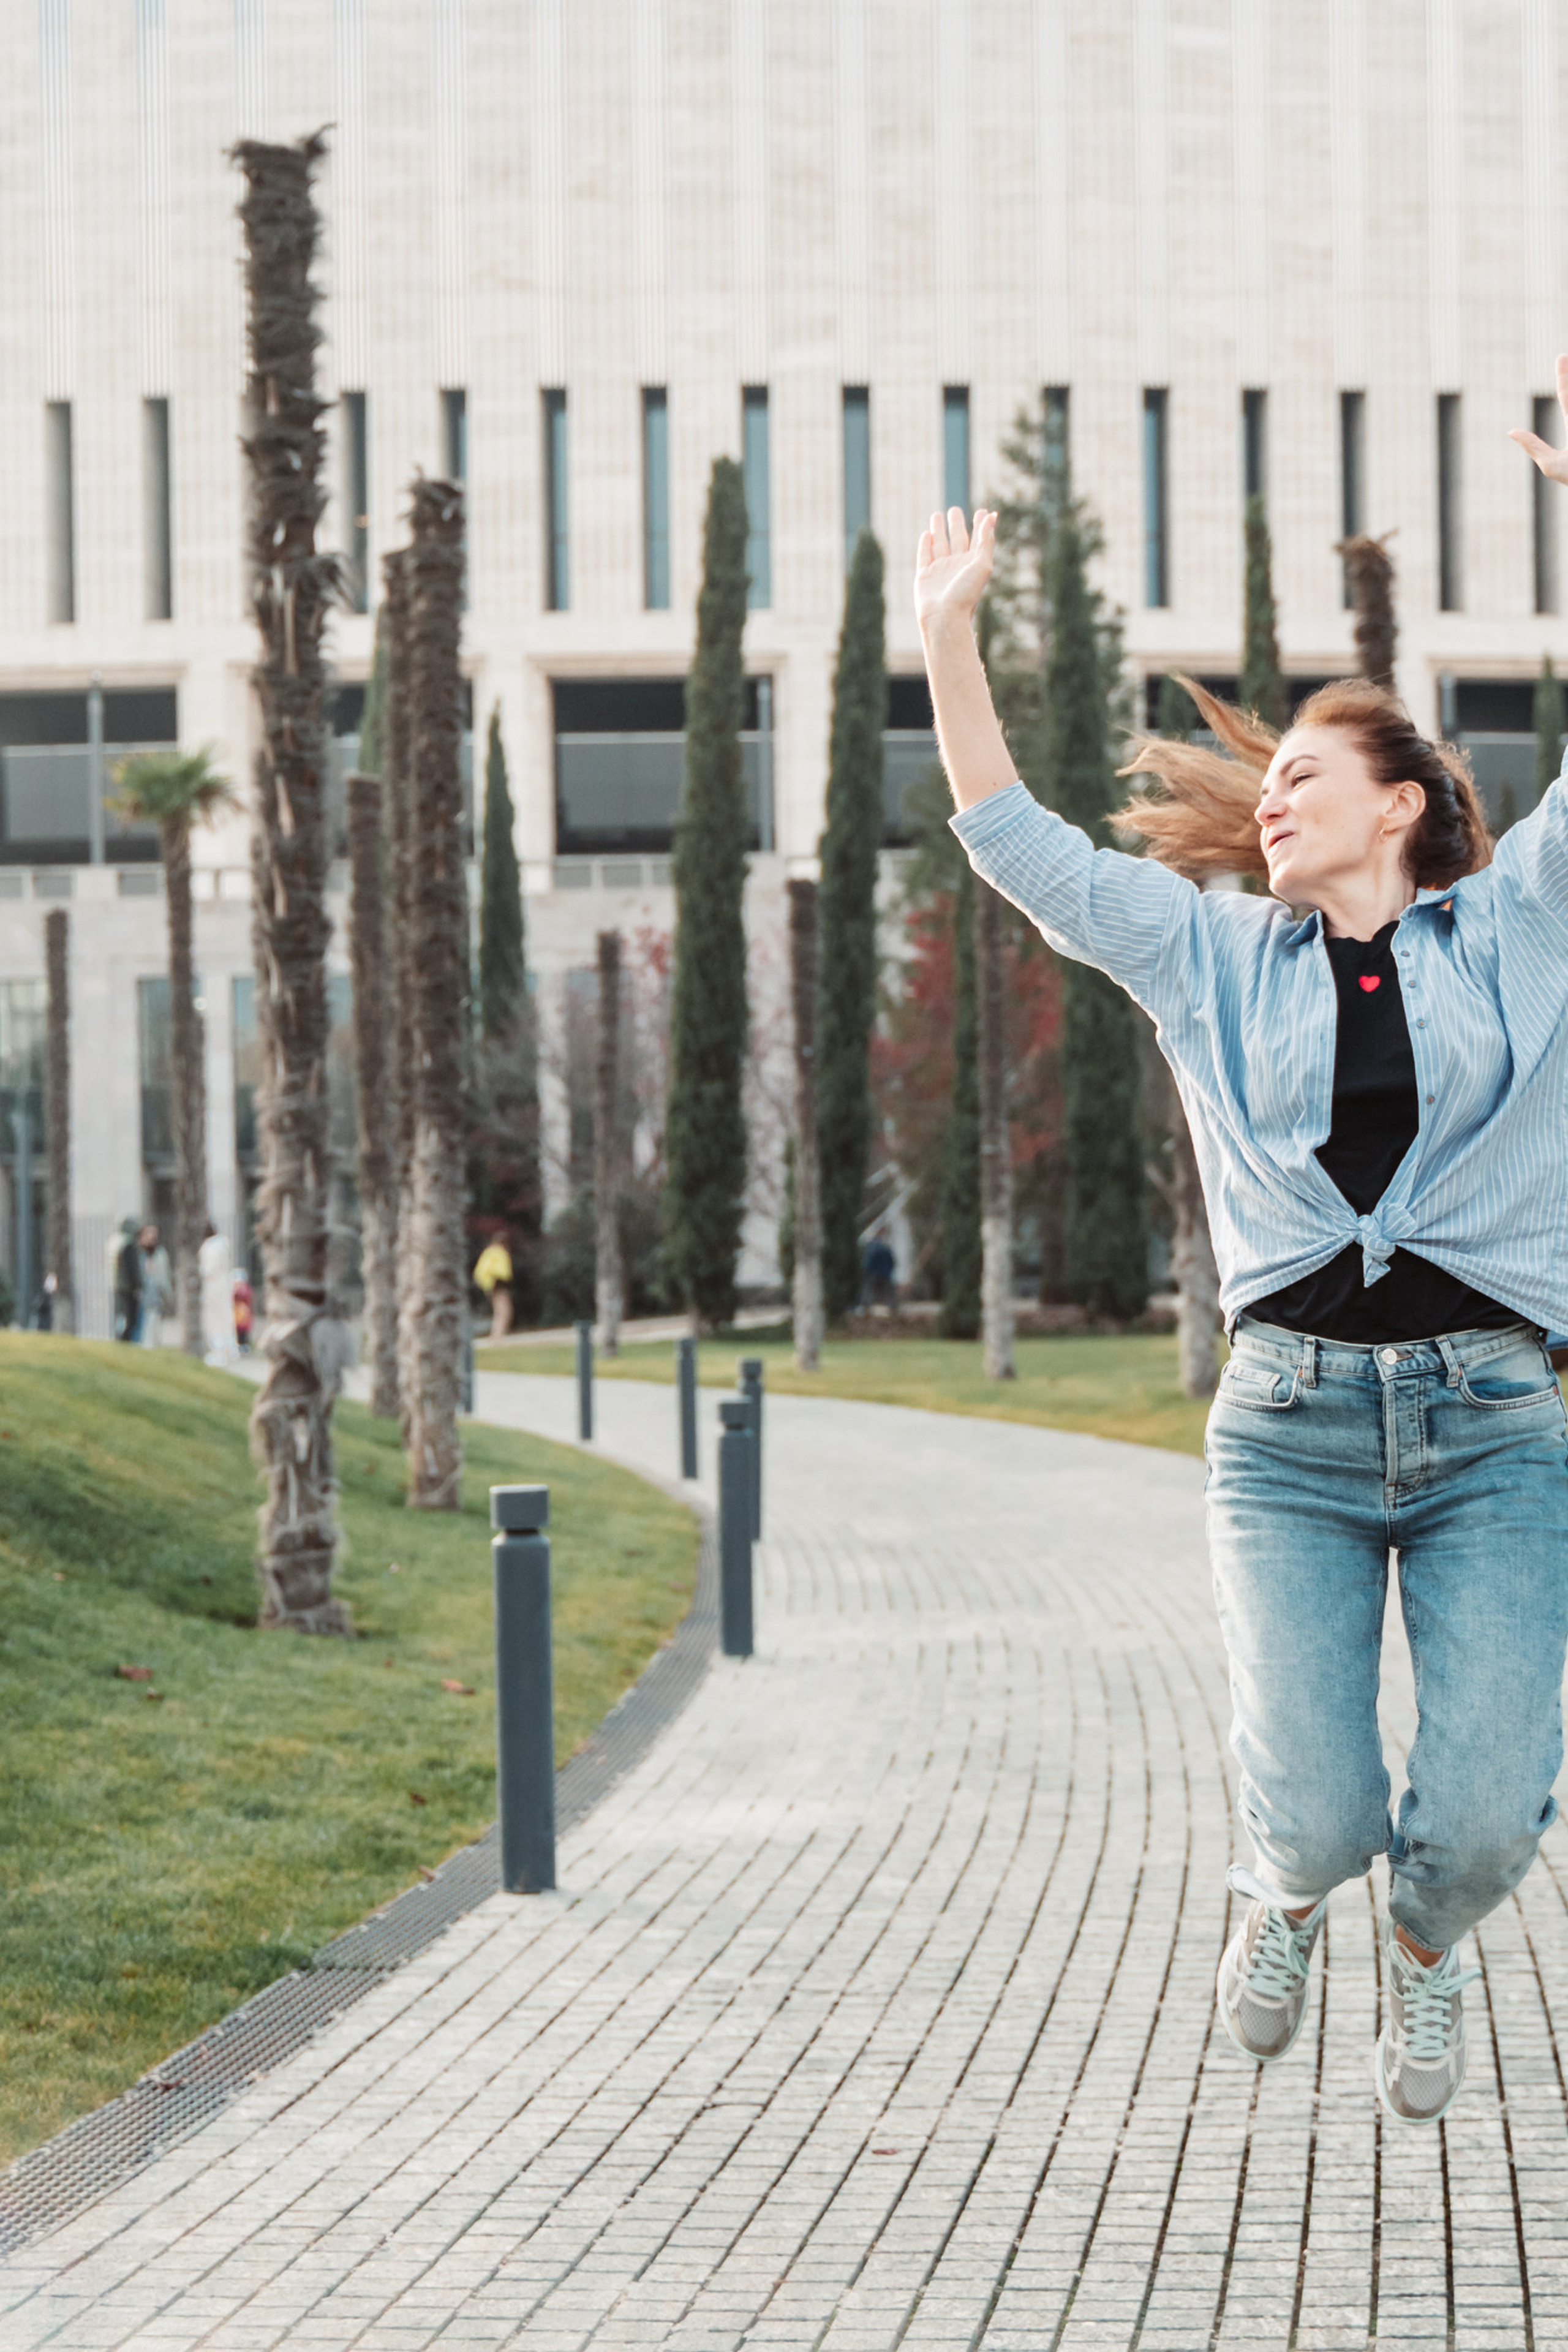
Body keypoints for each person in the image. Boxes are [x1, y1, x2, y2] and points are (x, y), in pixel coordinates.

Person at [916, 380, 1568, 2129]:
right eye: (1264, 783)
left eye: (1300, 779)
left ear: (1406, 804)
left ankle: (1426, 1952)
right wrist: (947, 643)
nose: (1264, 804)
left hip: (1498, 1427)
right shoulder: (1210, 955)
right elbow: (1019, 847)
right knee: (1323, 1807)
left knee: (1494, 1816)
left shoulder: (1518, 927)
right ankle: (1287, 1901)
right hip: (1285, 1432)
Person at [198, 1223, 234, 1365]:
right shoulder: (222, 1245)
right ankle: (228, 1349)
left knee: (215, 1320)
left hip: (213, 1286)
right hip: (222, 1285)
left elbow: (209, 1269)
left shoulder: (211, 1247)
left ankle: (218, 1350)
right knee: (225, 1318)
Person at [473, 1235, 515, 1341]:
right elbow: (501, 1271)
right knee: (504, 1311)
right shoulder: (497, 1253)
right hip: (497, 1284)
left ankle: (498, 1336)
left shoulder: (488, 1253)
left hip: (493, 1285)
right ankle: (498, 1336)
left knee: (500, 1311)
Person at [138, 1224, 172, 1348]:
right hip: (142, 1298)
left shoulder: (160, 1254)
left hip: (155, 1298)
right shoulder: (140, 1255)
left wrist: (167, 1294)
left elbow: (164, 1276)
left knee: (154, 1328)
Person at [112, 1216, 143, 1343]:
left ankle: (121, 1337)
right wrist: (138, 1285)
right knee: (129, 1317)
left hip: (118, 1286)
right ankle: (125, 1339)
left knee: (121, 1314)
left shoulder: (115, 1242)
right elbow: (132, 1268)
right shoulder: (128, 1244)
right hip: (127, 1287)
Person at [859, 1229, 897, 1312]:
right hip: (886, 1273)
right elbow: (892, 1261)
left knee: (868, 1289)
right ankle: (893, 1306)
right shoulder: (886, 1247)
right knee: (889, 1291)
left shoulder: (871, 1247)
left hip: (874, 1273)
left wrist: (865, 1270)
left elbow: (868, 1261)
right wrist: (890, 1270)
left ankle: (865, 1306)